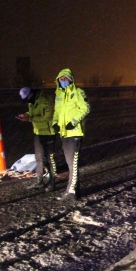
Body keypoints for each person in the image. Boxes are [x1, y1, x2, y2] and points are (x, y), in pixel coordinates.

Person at [52, 69, 90, 200]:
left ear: (70, 79)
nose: (63, 81)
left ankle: (71, 191)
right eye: (61, 79)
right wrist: (55, 123)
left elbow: (85, 108)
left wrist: (73, 122)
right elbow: (56, 112)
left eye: (65, 79)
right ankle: (74, 190)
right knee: (69, 163)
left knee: (73, 163)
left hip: (74, 133)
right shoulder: (59, 95)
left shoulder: (78, 92)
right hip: (64, 133)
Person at [16, 86, 57, 191]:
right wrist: (25, 115)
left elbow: (47, 117)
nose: (27, 102)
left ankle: (52, 182)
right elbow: (33, 113)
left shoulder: (44, 100)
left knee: (49, 159)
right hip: (38, 132)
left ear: (30, 94)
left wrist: (29, 119)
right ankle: (39, 182)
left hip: (48, 132)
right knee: (39, 158)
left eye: (27, 99)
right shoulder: (32, 101)